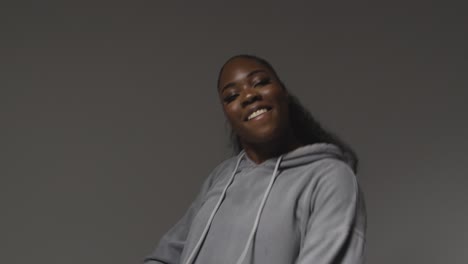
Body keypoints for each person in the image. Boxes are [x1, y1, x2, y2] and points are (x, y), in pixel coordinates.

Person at [144, 55, 366, 264]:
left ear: (283, 92)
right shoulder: (223, 177)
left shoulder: (330, 177)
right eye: (231, 96)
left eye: (260, 82)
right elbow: (166, 255)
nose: (249, 96)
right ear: (227, 115)